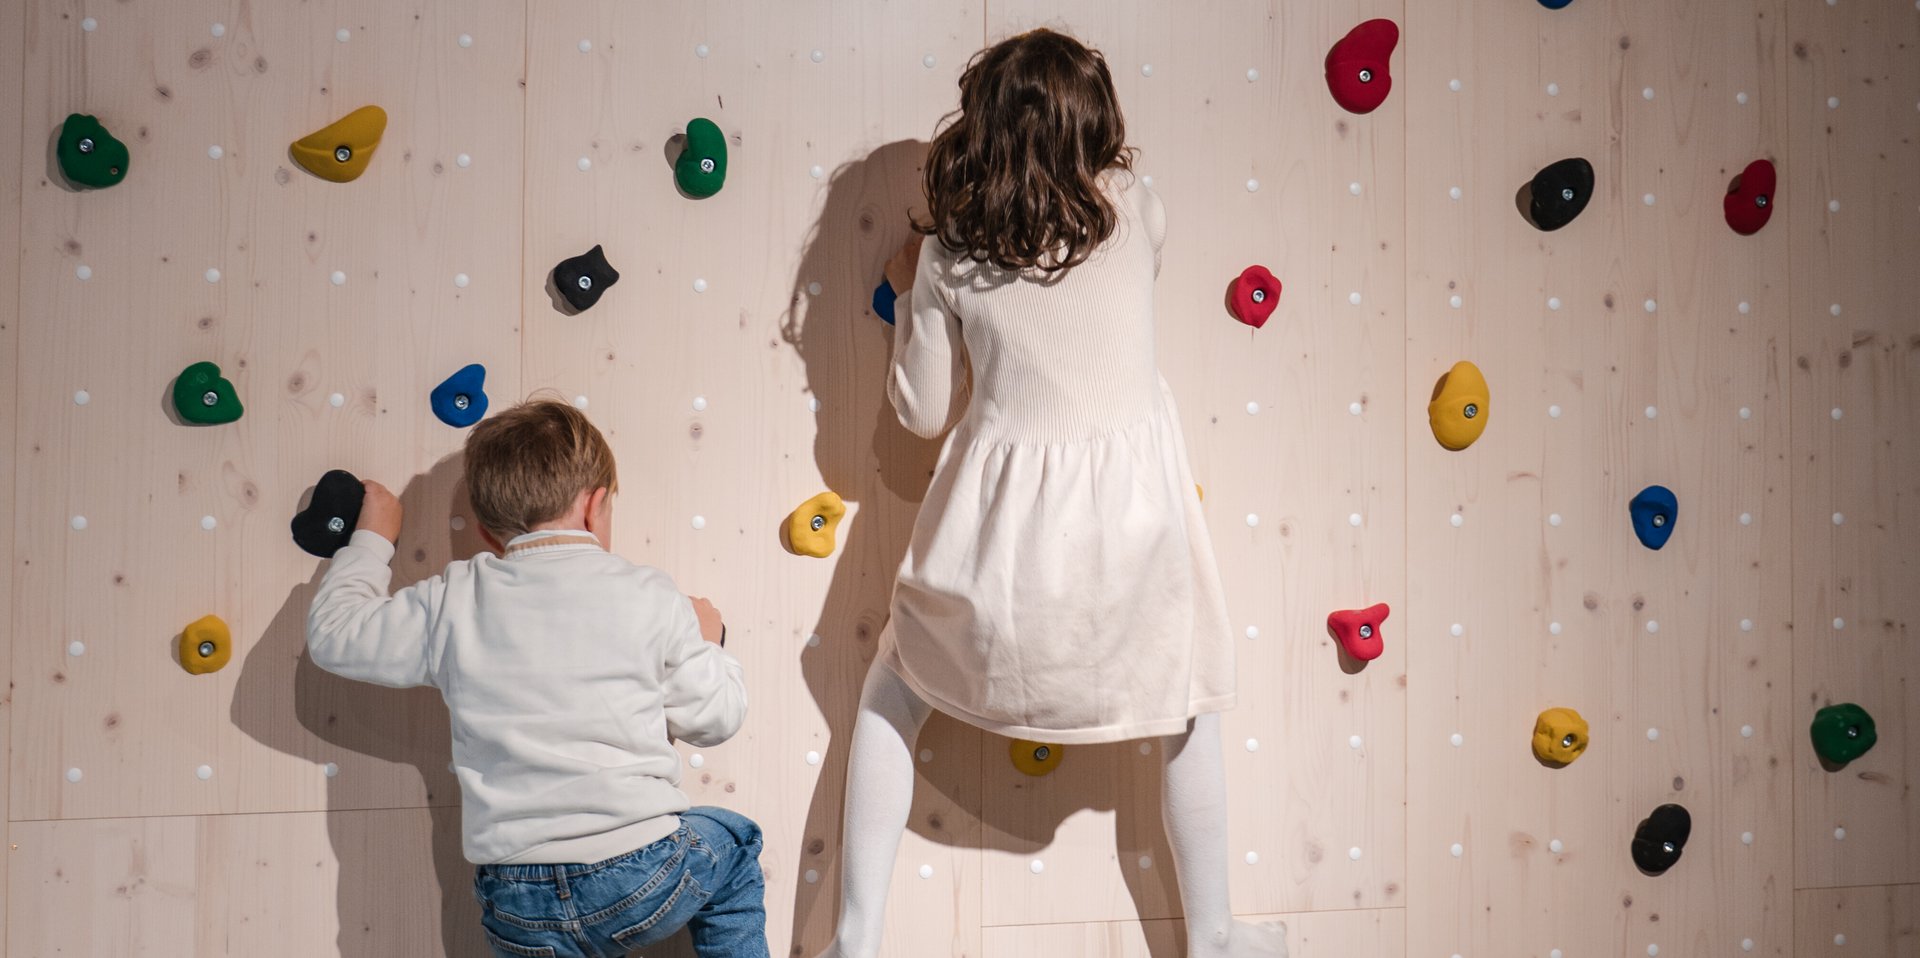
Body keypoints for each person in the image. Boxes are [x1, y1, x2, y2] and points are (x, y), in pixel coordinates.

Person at [816, 28, 1289, 958]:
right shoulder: (1136, 208)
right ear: (1097, 122)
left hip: (1001, 546)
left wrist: (913, 288)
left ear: (980, 127)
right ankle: (1218, 940)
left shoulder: (952, 252)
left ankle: (856, 941)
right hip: (1132, 533)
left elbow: (918, 414)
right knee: (1189, 706)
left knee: (892, 692)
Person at [306, 397, 768, 958]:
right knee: (736, 844)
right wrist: (708, 643)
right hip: (640, 874)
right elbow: (714, 721)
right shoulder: (650, 596)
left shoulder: (455, 600)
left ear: (486, 533)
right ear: (596, 506)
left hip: (517, 900)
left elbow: (334, 635)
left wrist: (374, 537)